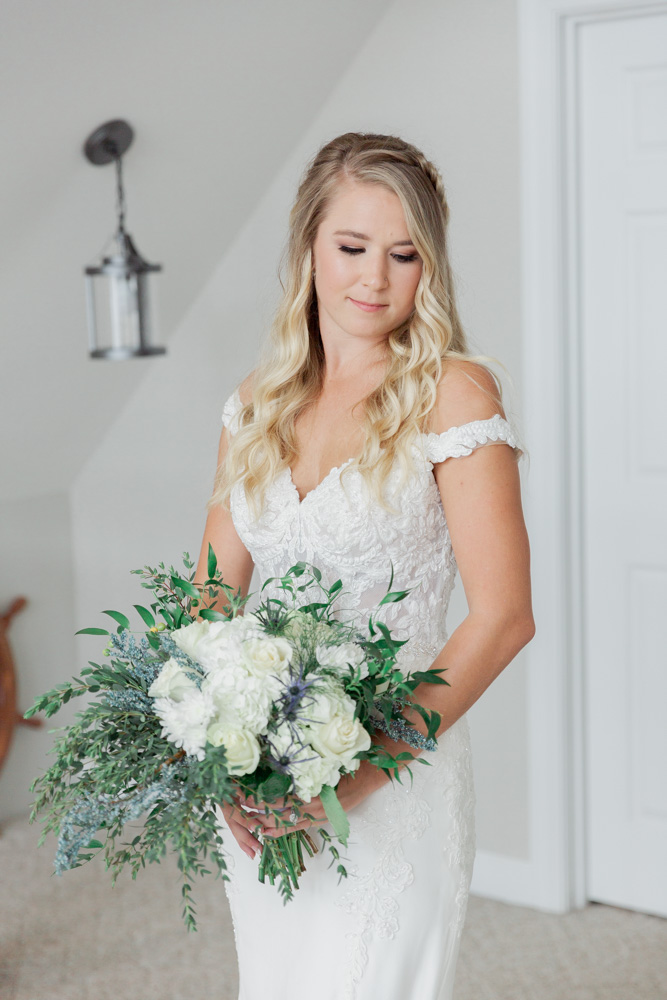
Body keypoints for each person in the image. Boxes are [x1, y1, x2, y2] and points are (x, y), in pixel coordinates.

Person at [192, 131, 535, 1000]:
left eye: (403, 255)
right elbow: (209, 602)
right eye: (351, 247)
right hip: (266, 777)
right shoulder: (255, 404)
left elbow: (504, 618)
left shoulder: (453, 395)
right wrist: (223, 764)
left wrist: (362, 772)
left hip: (395, 780)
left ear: (428, 267)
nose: (374, 279)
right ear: (308, 245)